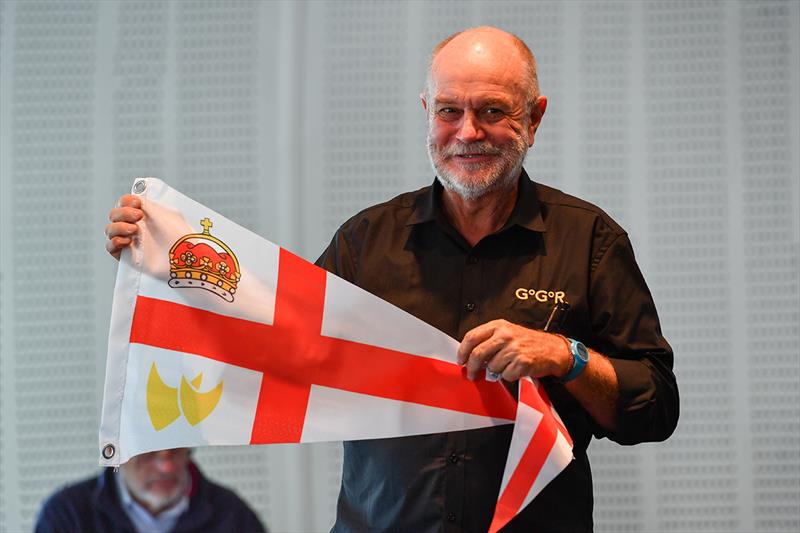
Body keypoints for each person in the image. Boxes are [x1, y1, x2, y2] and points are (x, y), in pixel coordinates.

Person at [105, 26, 678, 533]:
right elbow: (272, 349)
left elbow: (654, 410)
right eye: (449, 110)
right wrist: (164, 265)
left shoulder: (591, 242)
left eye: (493, 110)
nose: (468, 132)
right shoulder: (366, 241)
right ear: (427, 111)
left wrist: (565, 356)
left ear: (534, 116)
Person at [35, 448, 266, 533]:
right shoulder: (67, 515)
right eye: (148, 453)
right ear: (119, 452)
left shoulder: (232, 515)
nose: (166, 466)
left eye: (175, 450)